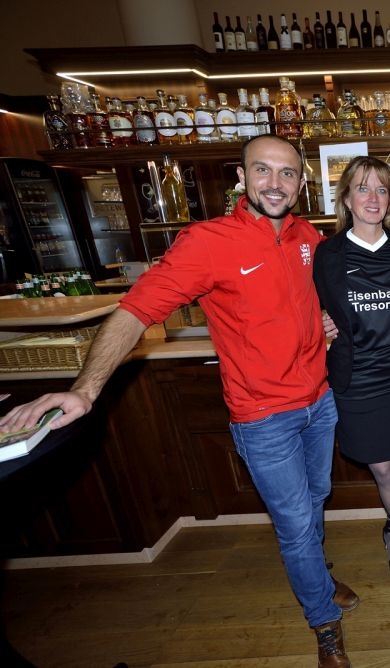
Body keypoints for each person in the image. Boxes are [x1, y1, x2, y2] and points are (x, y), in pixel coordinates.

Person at [0, 135, 362, 668]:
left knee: (314, 502)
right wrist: (85, 388)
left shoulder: (306, 236)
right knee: (294, 522)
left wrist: (322, 319)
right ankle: (324, 622)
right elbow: (136, 310)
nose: (275, 184)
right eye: (263, 171)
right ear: (241, 178)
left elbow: (305, 300)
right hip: (264, 417)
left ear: (301, 183)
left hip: (319, 402)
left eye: (287, 173)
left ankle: (318, 578)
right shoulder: (207, 242)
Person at [313, 156, 390, 593]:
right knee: (383, 468)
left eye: (381, 189)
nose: (373, 198)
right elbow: (304, 304)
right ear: (346, 198)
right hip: (358, 377)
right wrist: (320, 320)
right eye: (362, 188)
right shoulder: (328, 254)